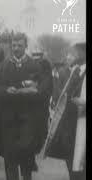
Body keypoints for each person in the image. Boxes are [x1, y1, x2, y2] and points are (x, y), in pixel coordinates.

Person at [0, 33, 45, 180]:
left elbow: (42, 91)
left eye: (19, 45)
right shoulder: (3, 66)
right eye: (13, 45)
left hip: (28, 120)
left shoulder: (35, 66)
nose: (16, 48)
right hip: (8, 120)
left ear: (25, 46)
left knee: (27, 157)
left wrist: (31, 91)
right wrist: (5, 90)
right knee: (10, 159)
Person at [46, 42, 86, 180]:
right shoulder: (74, 71)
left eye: (81, 50)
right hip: (70, 122)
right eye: (78, 50)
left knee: (81, 160)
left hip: (82, 120)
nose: (77, 54)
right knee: (71, 158)